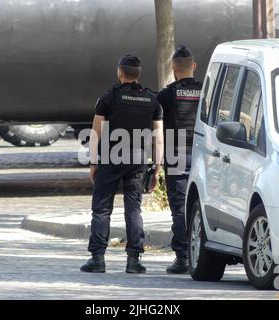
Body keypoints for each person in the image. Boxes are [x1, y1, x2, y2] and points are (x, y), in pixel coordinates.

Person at [80, 54, 164, 274]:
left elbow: (95, 134)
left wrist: (93, 162)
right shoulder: (152, 100)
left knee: (101, 209)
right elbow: (159, 138)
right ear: (139, 74)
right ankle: (134, 260)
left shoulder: (108, 99)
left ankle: (97, 259)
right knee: (133, 210)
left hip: (110, 159)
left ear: (120, 73)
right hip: (137, 161)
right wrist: (157, 167)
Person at [156, 45, 202, 274]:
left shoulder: (165, 95)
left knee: (180, 207)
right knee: (201, 205)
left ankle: (183, 257)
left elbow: (153, 123)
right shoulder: (207, 91)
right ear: (194, 66)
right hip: (203, 155)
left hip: (176, 156)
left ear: (173, 69)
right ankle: (201, 254)